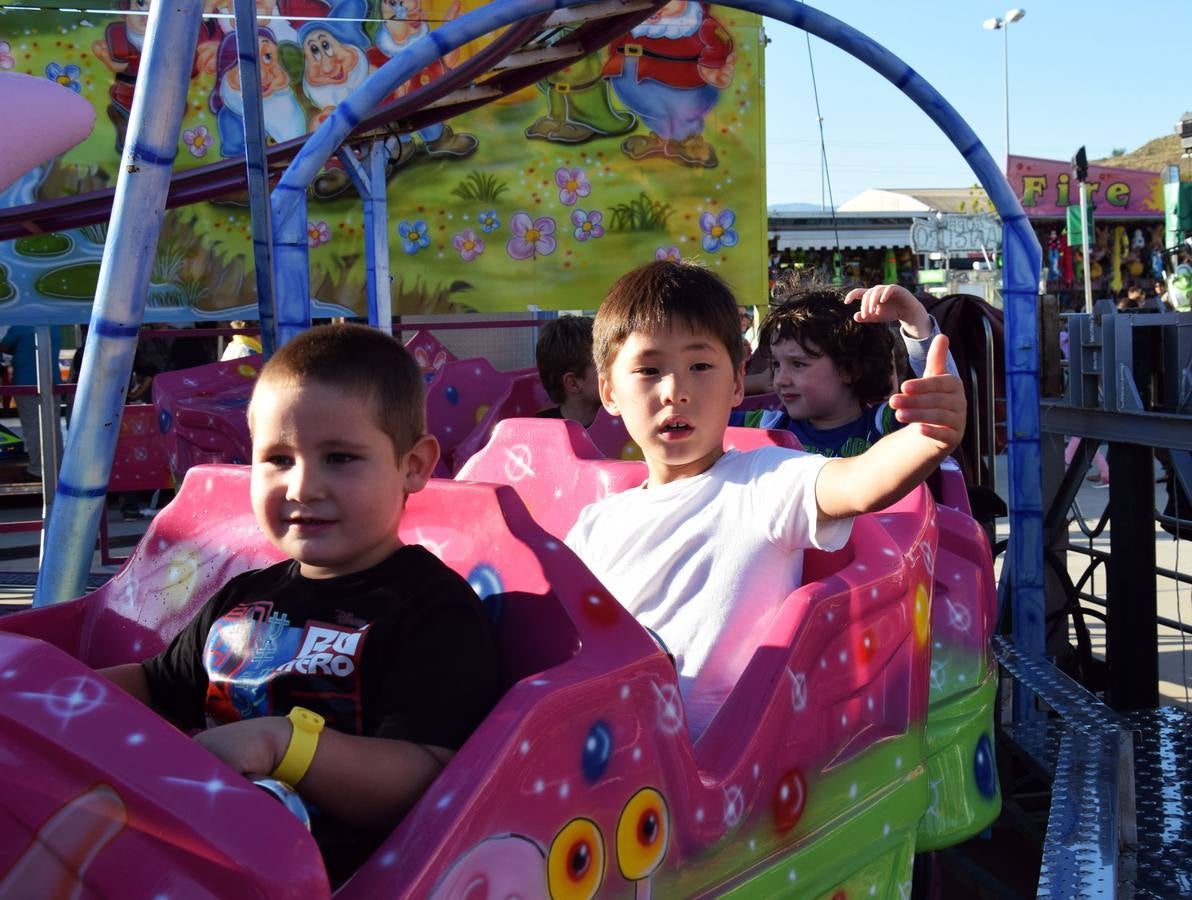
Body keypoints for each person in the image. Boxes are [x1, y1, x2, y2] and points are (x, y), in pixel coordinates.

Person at [100, 324, 502, 884]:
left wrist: (281, 744)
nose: (302, 486)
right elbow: (154, 686)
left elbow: (426, 781)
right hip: (189, 852)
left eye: (339, 458)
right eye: (278, 459)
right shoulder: (245, 596)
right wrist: (42, 691)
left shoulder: (431, 610)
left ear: (413, 466)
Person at [565, 261, 965, 738]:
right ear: (609, 390)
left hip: (719, 775)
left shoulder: (767, 481)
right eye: (649, 370)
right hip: (609, 758)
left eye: (700, 366)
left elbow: (861, 481)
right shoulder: (593, 523)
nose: (676, 392)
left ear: (736, 383)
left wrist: (927, 436)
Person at [730, 281, 959, 458]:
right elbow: (702, 413)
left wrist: (914, 319)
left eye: (798, 364)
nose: (780, 380)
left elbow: (945, 408)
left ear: (850, 368)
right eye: (776, 365)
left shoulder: (887, 425)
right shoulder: (767, 427)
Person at [0, 324, 64, 480]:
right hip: (52, 382)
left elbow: (3, 346)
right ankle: (58, 467)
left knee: (33, 427)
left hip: (27, 385)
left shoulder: (23, 324)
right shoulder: (54, 326)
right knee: (53, 426)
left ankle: (37, 470)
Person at [534, 315, 601, 427]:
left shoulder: (626, 418)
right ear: (573, 383)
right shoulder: (540, 429)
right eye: (603, 365)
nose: (614, 372)